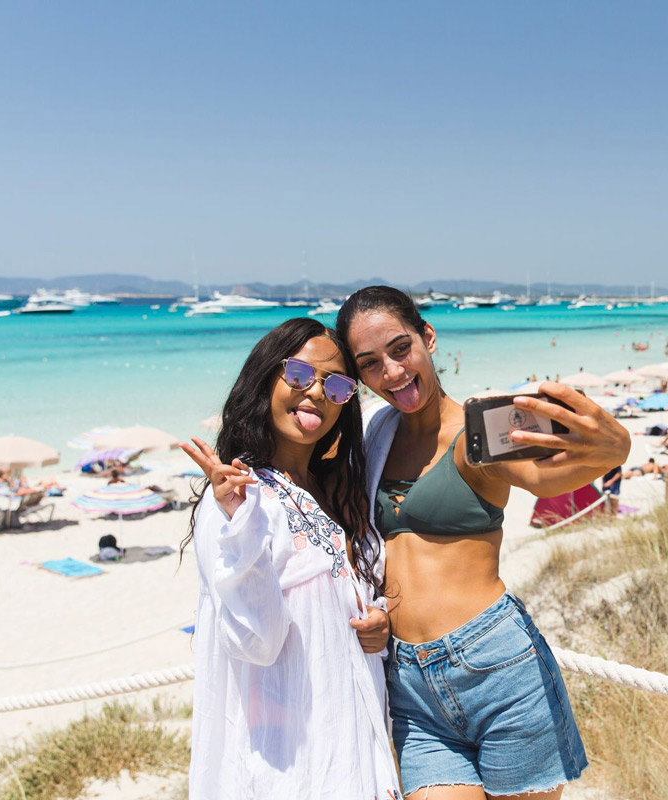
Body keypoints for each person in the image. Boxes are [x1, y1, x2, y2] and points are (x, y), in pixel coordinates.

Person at [337, 286, 629, 800]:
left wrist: (616, 448)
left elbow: (545, 477)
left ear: (428, 337)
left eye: (400, 348)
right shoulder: (375, 437)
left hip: (496, 667)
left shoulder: (478, 430)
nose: (392, 372)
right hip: (409, 686)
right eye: (370, 363)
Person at [179, 317, 400, 800]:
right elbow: (256, 641)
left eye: (337, 385)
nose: (316, 393)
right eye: (299, 375)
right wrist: (241, 523)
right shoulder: (237, 499)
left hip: (355, 747)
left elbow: (350, 599)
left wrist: (380, 620)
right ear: (264, 381)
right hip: (286, 765)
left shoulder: (336, 491)